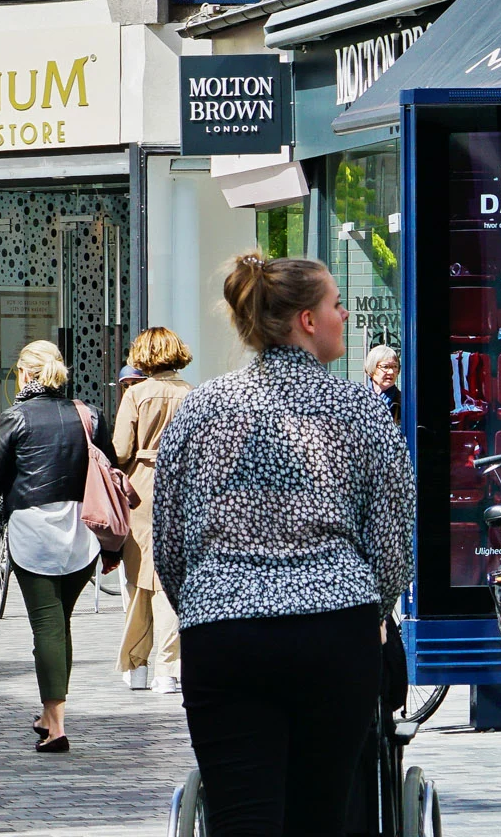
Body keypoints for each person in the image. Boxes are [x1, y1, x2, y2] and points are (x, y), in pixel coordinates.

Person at [152, 252, 413, 834]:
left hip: (224, 631)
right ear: (307, 320)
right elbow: (393, 543)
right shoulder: (363, 409)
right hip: (333, 629)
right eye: (336, 304)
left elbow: (169, 541)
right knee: (320, 814)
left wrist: (208, 599)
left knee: (242, 815)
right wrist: (372, 604)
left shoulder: (201, 409)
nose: (345, 314)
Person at [0, 339, 101, 754]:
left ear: (24, 373)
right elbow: (109, 471)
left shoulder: (14, 419)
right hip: (80, 531)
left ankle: (56, 726)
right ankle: (48, 715)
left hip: (33, 530)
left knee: (47, 627)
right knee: (60, 624)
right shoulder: (87, 415)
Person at [108, 327, 196, 695]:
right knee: (172, 581)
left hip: (142, 489)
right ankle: (168, 668)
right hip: (182, 487)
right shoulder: (194, 395)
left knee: (138, 580)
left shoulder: (137, 395)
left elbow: (121, 450)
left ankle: (137, 664)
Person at [365, 344, 403, 428]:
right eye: (385, 367)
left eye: (395, 367)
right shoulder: (359, 397)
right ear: (372, 368)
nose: (391, 372)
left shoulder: (403, 402)